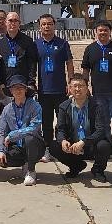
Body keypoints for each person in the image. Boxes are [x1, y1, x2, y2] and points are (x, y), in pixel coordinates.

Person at [51, 74, 110, 183]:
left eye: (81, 86)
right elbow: (60, 129)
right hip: (73, 146)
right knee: (54, 146)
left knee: (104, 145)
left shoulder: (97, 105)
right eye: (75, 86)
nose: (77, 89)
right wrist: (63, 140)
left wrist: (84, 142)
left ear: (87, 88)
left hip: (91, 144)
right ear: (70, 88)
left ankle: (98, 170)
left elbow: (101, 130)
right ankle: (76, 166)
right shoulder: (64, 107)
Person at [34, 13, 73, 162]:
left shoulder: (62, 43)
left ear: (54, 25)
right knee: (46, 122)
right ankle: (47, 149)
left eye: (49, 24)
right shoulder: (36, 44)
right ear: (40, 27)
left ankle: (63, 147)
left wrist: (70, 82)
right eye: (44, 24)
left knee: (63, 121)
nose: (47, 26)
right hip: (44, 90)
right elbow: (32, 65)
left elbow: (69, 63)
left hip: (60, 89)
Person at [0, 74, 45, 186]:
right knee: (4, 160)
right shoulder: (7, 109)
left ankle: (31, 170)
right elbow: (2, 131)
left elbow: (34, 128)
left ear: (26, 89)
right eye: (15, 88)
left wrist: (13, 134)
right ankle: (25, 164)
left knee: (29, 139)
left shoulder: (35, 106)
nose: (18, 90)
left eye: (21, 87)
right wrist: (1, 151)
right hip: (17, 146)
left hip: (35, 144)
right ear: (11, 91)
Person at [81, 20, 112, 119]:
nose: (103, 32)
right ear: (95, 32)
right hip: (98, 93)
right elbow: (86, 69)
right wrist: (85, 87)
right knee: (102, 123)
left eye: (106, 30)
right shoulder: (90, 49)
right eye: (100, 30)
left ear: (110, 31)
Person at [0, 12, 38, 107]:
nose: (13, 23)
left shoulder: (28, 41)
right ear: (5, 22)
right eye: (10, 20)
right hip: (6, 87)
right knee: (7, 114)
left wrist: (31, 83)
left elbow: (32, 64)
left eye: (15, 21)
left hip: (23, 86)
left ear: (19, 23)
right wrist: (0, 83)